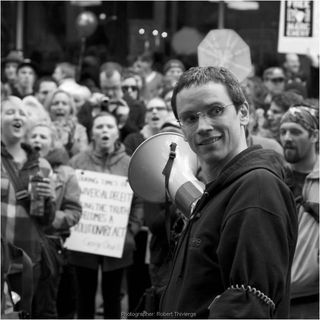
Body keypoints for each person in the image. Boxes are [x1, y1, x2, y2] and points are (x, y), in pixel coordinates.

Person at [159, 66, 298, 318]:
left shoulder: (256, 188)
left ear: (243, 112)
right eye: (190, 118)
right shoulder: (226, 189)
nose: (202, 126)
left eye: (215, 111)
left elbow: (248, 305)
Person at [69, 112, 143, 319]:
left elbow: (138, 201)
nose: (104, 131)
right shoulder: (76, 162)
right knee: (84, 297)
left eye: (109, 127)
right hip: (82, 242)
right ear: (92, 133)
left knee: (113, 298)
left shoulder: (129, 163)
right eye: (100, 126)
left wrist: (130, 231)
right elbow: (69, 198)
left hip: (118, 243)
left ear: (117, 132)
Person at [1, 95, 56, 318]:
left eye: (22, 113)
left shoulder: (41, 164)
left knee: (23, 314)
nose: (18, 116)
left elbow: (46, 220)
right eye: (10, 112)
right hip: (0, 256)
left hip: (27, 259)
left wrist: (50, 198)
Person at [28, 123, 82, 318]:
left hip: (50, 245)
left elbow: (74, 212)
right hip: (20, 243)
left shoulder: (66, 174)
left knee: (45, 306)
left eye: (43, 137)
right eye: (33, 136)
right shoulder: (16, 169)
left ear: (52, 144)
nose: (37, 140)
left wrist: (49, 218)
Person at [279, 105, 319, 319]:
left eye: (295, 131)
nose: (287, 137)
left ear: (314, 135)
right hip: (277, 299)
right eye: (283, 131)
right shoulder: (274, 178)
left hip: (314, 300)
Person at [45, 89, 88, 157]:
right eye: (56, 103)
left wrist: (72, 144)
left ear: (71, 109)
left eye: (64, 104)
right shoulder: (43, 128)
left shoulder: (79, 130)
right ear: (49, 108)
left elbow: (83, 156)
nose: (60, 107)